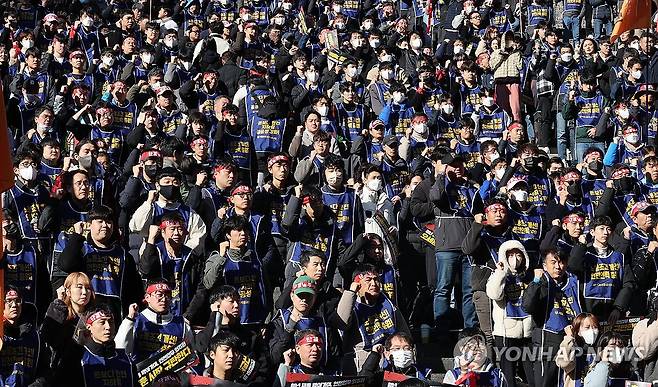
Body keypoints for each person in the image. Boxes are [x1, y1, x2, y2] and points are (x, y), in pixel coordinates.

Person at [523, 248, 582, 387]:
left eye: (561, 262)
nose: (558, 266)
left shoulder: (573, 282)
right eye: (553, 262)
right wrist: (536, 281)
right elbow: (527, 306)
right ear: (545, 265)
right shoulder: (541, 283)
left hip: (570, 341)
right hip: (547, 342)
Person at [555, 312, 600, 387]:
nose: (592, 331)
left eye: (595, 327)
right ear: (577, 329)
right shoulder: (572, 347)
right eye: (587, 327)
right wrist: (569, 337)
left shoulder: (600, 349)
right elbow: (564, 363)